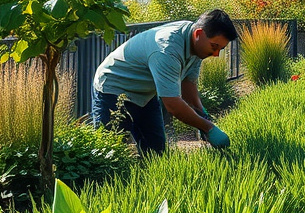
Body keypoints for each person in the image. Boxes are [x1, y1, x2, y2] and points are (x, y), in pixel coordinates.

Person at [92, 9, 237, 155]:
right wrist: (209, 128)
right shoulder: (168, 50)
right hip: (113, 87)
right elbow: (173, 104)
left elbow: (187, 84)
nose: (216, 54)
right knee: (110, 151)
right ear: (198, 34)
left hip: (145, 93)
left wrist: (203, 116)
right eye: (214, 46)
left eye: (221, 48)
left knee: (156, 151)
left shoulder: (196, 45)